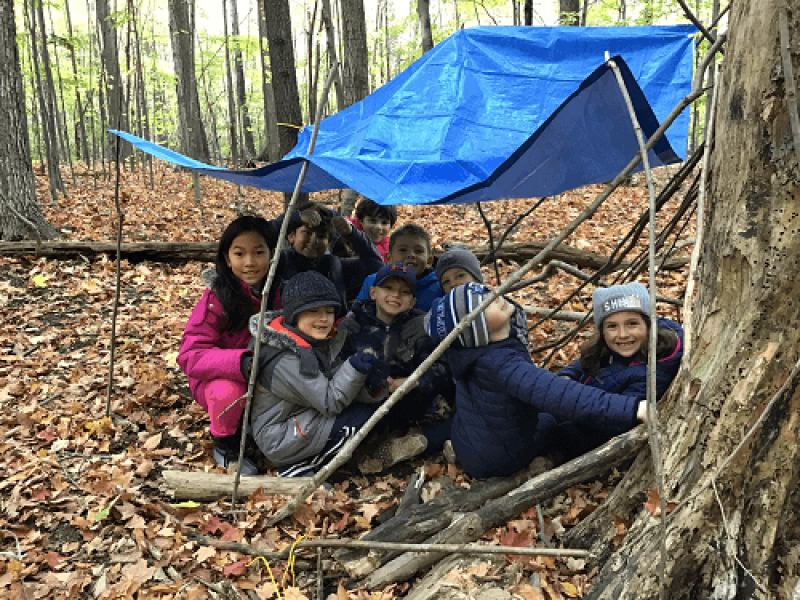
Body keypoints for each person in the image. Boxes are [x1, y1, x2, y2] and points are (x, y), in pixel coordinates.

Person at [420, 282, 647, 479]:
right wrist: (633, 408)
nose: (493, 295)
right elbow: (559, 394)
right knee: (554, 421)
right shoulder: (501, 365)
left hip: (472, 436)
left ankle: (444, 446)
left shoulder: (475, 353)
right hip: (499, 458)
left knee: (474, 415)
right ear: (475, 328)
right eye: (483, 302)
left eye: (487, 291)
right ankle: (528, 463)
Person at [244, 271, 384, 477]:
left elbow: (327, 380)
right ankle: (298, 470)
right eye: (313, 311)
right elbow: (330, 401)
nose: (324, 319)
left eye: (329, 311)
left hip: (299, 417)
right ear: (294, 315)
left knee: (367, 412)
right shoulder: (286, 359)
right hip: (278, 437)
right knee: (355, 421)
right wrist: (354, 367)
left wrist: (374, 387)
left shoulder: (309, 341)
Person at [177, 216, 278, 475]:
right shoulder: (216, 298)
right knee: (227, 392)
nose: (249, 263)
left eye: (259, 252)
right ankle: (226, 445)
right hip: (222, 378)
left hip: (268, 374)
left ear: (272, 254)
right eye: (239, 253)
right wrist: (240, 363)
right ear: (226, 258)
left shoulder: (281, 292)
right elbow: (190, 354)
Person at [338, 263, 453, 472]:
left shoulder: (422, 325)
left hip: (410, 399)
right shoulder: (352, 325)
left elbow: (441, 366)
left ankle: (414, 442)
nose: (395, 295)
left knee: (443, 412)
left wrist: (414, 381)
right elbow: (337, 366)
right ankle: (367, 455)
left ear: (413, 301)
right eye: (388, 288)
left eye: (404, 292)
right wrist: (371, 384)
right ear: (373, 293)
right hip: (367, 400)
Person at [557, 282, 683, 454]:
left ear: (648, 324)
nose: (622, 334)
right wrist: (566, 376)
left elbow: (610, 425)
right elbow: (584, 363)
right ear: (602, 331)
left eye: (632, 323)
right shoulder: (614, 348)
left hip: (581, 436)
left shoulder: (654, 371)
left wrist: (563, 403)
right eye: (612, 326)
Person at [268, 203, 384, 309]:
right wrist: (295, 218)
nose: (314, 241)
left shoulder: (335, 266)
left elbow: (376, 266)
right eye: (307, 233)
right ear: (291, 236)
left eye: (321, 236)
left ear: (329, 242)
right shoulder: (279, 263)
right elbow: (261, 235)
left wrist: (352, 234)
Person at [436, 246, 530, 348]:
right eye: (446, 282)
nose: (453, 284)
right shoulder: (443, 318)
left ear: (477, 279)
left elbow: (521, 343)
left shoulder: (501, 306)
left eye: (460, 276)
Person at [355, 224, 443, 311]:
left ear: (429, 261)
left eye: (418, 251)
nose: (411, 255)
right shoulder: (373, 282)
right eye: (403, 250)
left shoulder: (439, 287)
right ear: (389, 258)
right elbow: (355, 315)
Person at [348, 198, 397, 264]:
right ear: (360, 221)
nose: (378, 227)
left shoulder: (390, 250)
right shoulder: (348, 240)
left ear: (391, 226)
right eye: (372, 221)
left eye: (384, 223)